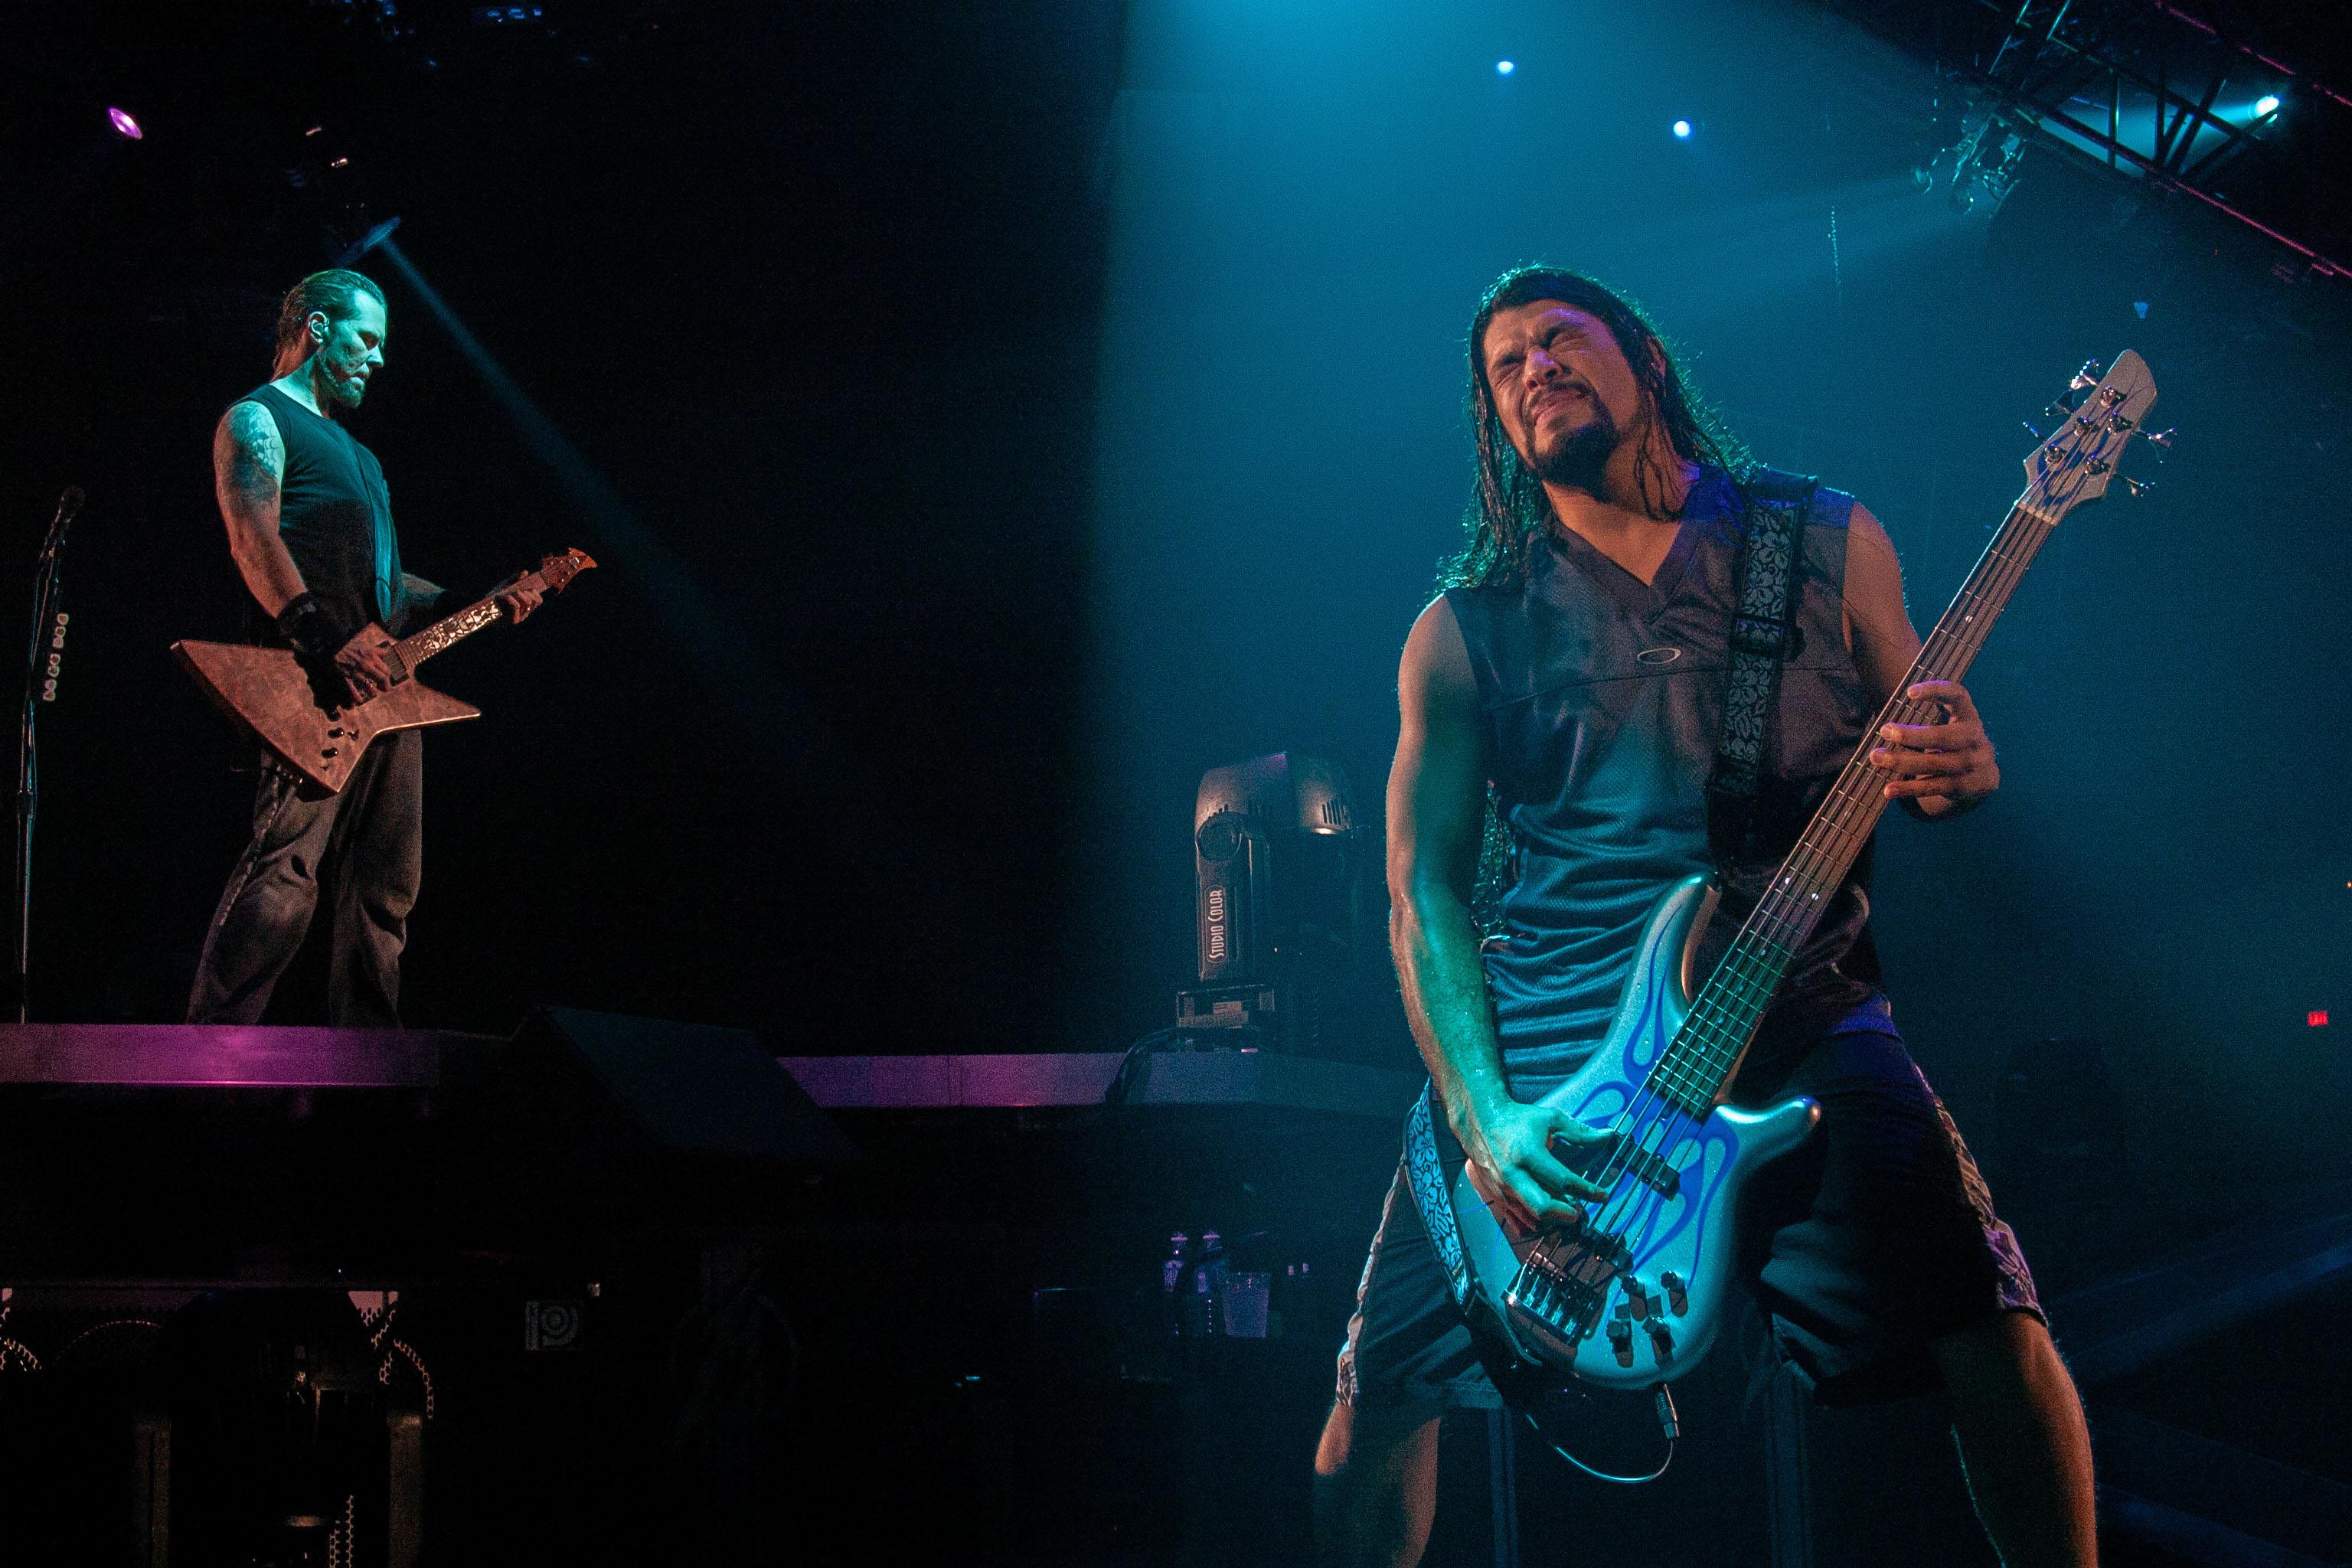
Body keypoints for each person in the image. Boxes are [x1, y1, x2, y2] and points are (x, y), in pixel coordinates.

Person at [1312, 267, 2095, 1567]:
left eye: (1560, 337)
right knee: (1376, 1398)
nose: (1533, 368)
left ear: (1648, 360)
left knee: (1990, 1325)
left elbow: (1927, 738)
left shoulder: (1825, 539)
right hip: (1551, 1053)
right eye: (1504, 365)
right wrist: (1485, 1116)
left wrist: (1963, 765)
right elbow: (1421, 889)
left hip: (1797, 1009)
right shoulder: (1462, 630)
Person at [186, 269, 542, 1026]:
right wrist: (322, 640)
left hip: (388, 694)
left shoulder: (364, 458)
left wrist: (477, 602)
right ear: (317, 328)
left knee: (387, 887)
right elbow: (251, 533)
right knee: (284, 874)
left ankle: (370, 1058)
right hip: (312, 686)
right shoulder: (258, 418)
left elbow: (385, 584)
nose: (379, 358)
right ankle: (208, 1053)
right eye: (367, 338)